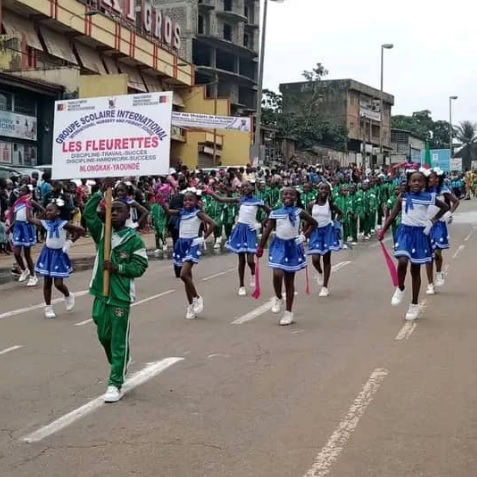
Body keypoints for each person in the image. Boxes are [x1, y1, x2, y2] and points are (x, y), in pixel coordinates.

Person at [84, 179, 149, 403]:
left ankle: (115, 383)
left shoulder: (134, 240)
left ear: (128, 214)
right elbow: (89, 214)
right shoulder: (102, 233)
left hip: (120, 296)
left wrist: (118, 268)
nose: (113, 214)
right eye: (111, 210)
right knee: (104, 335)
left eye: (119, 211)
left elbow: (140, 267)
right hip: (100, 293)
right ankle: (121, 361)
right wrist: (100, 191)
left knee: (118, 339)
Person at [378, 170, 449, 321]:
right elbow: (393, 215)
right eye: (413, 180)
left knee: (415, 270)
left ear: (425, 184)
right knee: (402, 261)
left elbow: (445, 207)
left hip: (420, 235)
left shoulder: (428, 197)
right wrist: (383, 230)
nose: (416, 183)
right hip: (404, 232)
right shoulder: (403, 197)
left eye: (420, 181)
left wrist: (432, 221)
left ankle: (414, 304)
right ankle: (401, 287)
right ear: (408, 182)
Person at [257, 187, 317, 325]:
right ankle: (278, 297)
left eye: (291, 194)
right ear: (281, 197)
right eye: (285, 194)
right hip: (278, 245)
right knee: (277, 274)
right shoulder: (275, 213)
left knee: (289, 280)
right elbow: (267, 231)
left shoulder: (299, 212)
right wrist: (260, 246)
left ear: (296, 197)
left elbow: (314, 223)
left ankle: (288, 312)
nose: (287, 196)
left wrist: (304, 236)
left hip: (292, 247)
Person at [158, 188, 216, 319]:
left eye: (190, 200)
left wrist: (203, 238)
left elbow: (213, 224)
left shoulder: (198, 213)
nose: (187, 202)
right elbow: (167, 211)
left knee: (183, 274)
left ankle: (197, 297)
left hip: (192, 245)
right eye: (185, 200)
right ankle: (190, 306)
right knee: (187, 278)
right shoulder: (181, 212)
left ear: (196, 201)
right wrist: (161, 202)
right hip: (181, 244)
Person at [207, 182, 270, 296]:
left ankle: (252, 272)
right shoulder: (239, 200)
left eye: (248, 186)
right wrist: (210, 193)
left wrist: (260, 224)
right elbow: (222, 199)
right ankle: (241, 285)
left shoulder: (258, 201)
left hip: (250, 230)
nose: (245, 188)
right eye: (243, 186)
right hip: (240, 229)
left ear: (253, 188)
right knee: (241, 260)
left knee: (250, 260)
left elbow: (270, 213)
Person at [29, 200, 85, 318]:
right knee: (47, 282)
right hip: (47, 254)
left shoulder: (64, 224)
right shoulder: (46, 223)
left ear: (58, 212)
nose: (47, 212)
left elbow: (81, 230)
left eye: (50, 210)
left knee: (58, 284)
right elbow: (30, 219)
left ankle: (68, 295)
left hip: (59, 254)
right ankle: (48, 307)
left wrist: (69, 242)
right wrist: (27, 204)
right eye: (47, 210)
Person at [425, 169, 460, 294]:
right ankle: (430, 284)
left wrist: (449, 213)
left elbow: (456, 201)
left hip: (439, 223)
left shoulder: (443, 190)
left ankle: (439, 272)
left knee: (437, 253)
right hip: (426, 224)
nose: (431, 180)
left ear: (438, 179)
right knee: (428, 255)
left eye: (433, 178)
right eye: (429, 178)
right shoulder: (423, 191)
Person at [307, 182, 343, 297]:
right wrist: (303, 234)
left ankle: (325, 287)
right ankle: (319, 272)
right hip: (316, 232)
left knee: (326, 259)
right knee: (315, 259)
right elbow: (308, 220)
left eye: (326, 189)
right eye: (322, 189)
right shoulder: (311, 205)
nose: (324, 191)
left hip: (327, 232)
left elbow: (340, 213)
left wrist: (335, 222)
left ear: (329, 192)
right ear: (318, 190)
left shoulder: (330, 203)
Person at [8, 185, 43, 286]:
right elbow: (16, 217)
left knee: (27, 254)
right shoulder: (17, 202)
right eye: (19, 190)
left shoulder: (30, 201)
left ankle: (33, 276)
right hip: (18, 227)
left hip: (27, 228)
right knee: (16, 253)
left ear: (27, 192)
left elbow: (43, 210)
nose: (20, 192)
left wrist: (35, 220)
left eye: (22, 191)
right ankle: (24, 269)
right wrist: (10, 226)